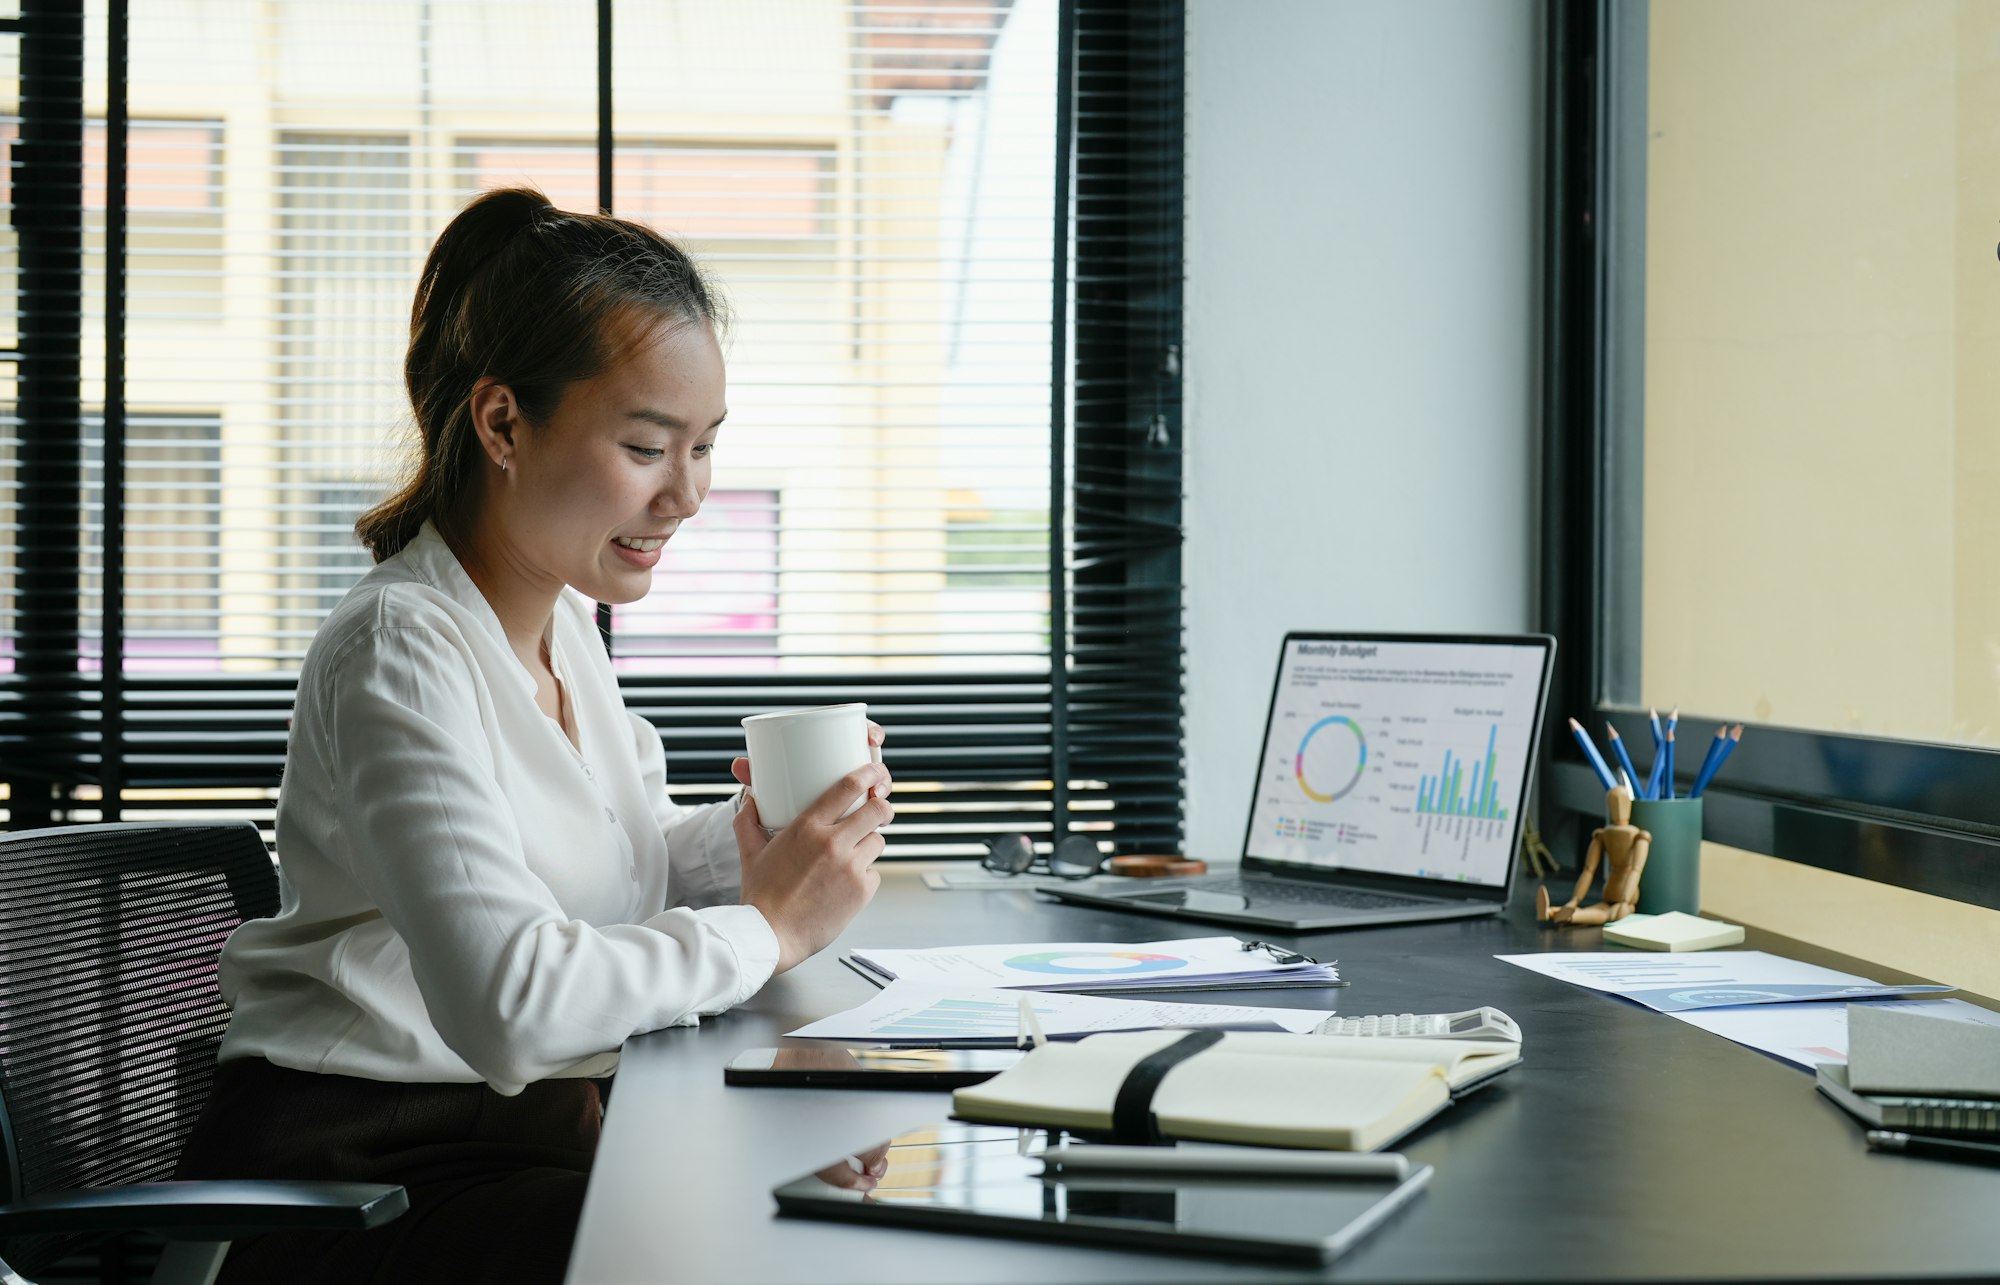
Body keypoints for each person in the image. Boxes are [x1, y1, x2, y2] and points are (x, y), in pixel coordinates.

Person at [174, 186, 894, 1283]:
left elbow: (610, 878)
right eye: (649, 446)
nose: (688, 495)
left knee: (800, 1217)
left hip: (511, 1144)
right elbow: (511, 1002)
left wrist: (751, 844)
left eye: (703, 447)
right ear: (502, 422)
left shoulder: (559, 625)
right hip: (348, 1188)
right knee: (746, 1248)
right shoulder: (398, 648)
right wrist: (765, 926)